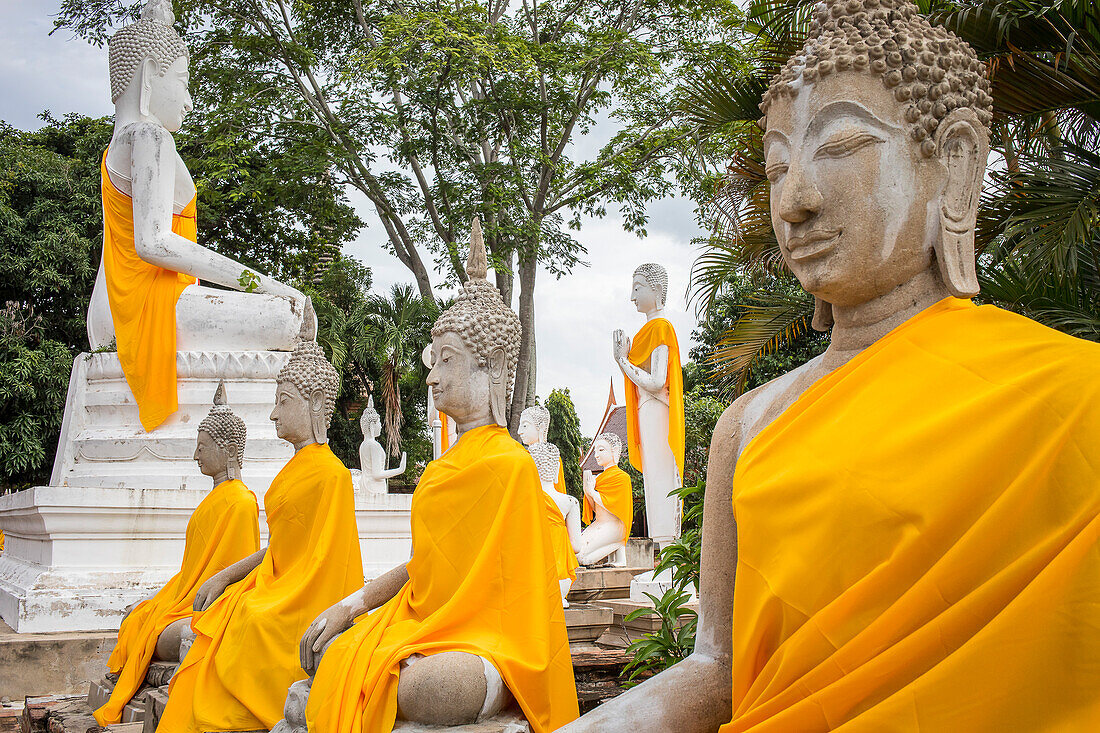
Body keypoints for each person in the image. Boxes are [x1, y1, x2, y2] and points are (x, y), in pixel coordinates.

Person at [560, 1, 1100, 730]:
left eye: (841, 143)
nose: (795, 200)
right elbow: (716, 668)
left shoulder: (1072, 395)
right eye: (779, 164)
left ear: (957, 163)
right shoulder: (749, 424)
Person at [290, 219, 578, 733]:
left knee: (424, 689)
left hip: (493, 643)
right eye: (433, 361)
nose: (432, 376)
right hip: (424, 622)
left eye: (447, 361)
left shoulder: (510, 466)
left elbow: (522, 601)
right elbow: (422, 569)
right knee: (335, 649)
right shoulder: (440, 469)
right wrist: (350, 605)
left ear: (490, 368)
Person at [94, 0, 304, 430]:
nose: (189, 102)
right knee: (293, 317)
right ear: (151, 74)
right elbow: (153, 243)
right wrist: (265, 283)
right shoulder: (149, 136)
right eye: (184, 82)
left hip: (112, 310)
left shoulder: (118, 144)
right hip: (153, 306)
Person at [158, 305, 363, 733]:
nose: (272, 414)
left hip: (302, 598)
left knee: (247, 620)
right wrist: (224, 577)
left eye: (282, 402)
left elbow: (324, 564)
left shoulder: (332, 474)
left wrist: (262, 595)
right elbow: (280, 551)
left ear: (317, 403)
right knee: (223, 615)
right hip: (273, 584)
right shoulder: (291, 470)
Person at [93, 383, 259, 724]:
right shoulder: (213, 500)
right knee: (133, 617)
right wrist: (164, 600)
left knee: (184, 634)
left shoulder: (241, 502)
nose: (196, 456)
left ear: (227, 449)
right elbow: (191, 573)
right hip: (185, 599)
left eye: (202, 448)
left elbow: (235, 578)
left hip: (211, 608)